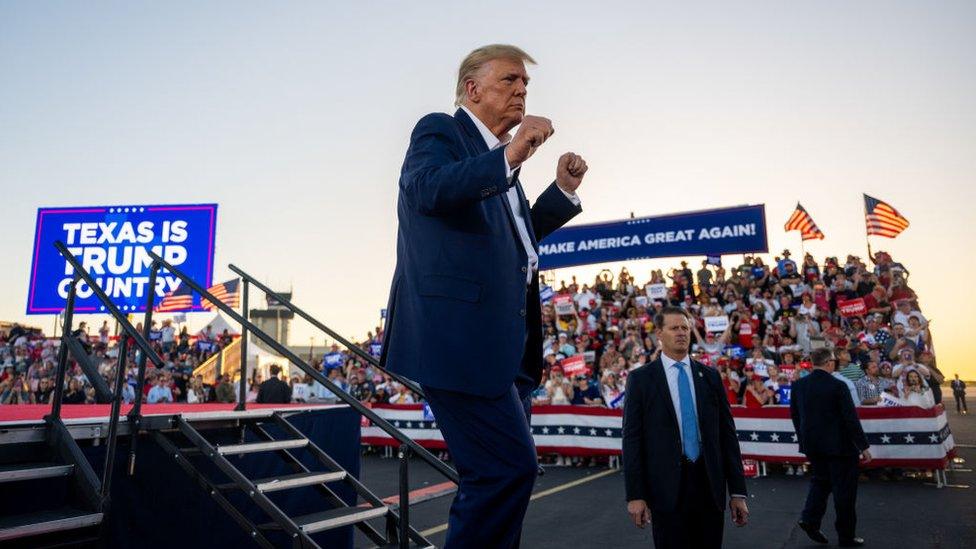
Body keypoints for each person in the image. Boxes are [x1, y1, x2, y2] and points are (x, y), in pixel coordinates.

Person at [379, 44, 587, 548]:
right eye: (510, 80)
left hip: (505, 349)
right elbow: (426, 188)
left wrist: (559, 192)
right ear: (473, 89)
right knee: (505, 473)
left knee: (500, 478)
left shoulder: (499, 169)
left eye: (525, 85)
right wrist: (511, 155)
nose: (522, 91)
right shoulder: (440, 131)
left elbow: (517, 242)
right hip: (459, 342)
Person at [623, 307, 748, 548]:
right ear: (659, 333)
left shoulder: (710, 377)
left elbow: (727, 436)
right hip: (665, 489)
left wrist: (738, 492)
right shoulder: (641, 380)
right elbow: (632, 440)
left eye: (685, 328)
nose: (681, 333)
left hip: (709, 486)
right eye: (674, 328)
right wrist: (636, 495)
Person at [790, 348, 871, 547]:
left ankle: (809, 519)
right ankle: (846, 536)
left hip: (813, 446)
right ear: (829, 363)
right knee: (844, 492)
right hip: (840, 448)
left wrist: (804, 441)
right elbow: (850, 418)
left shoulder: (798, 386)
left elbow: (795, 416)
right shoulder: (838, 386)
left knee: (820, 482)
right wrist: (863, 446)